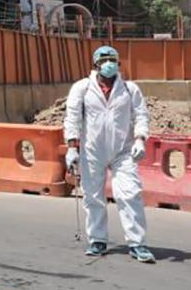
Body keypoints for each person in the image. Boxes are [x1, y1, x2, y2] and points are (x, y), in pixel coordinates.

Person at [64, 45, 154, 263]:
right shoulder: (82, 88)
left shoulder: (129, 89)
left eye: (112, 60)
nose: (109, 64)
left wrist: (140, 138)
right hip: (92, 150)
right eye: (104, 60)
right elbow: (72, 117)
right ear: (96, 64)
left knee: (130, 194)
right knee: (93, 196)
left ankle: (137, 243)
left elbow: (141, 115)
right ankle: (97, 240)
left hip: (123, 150)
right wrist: (72, 147)